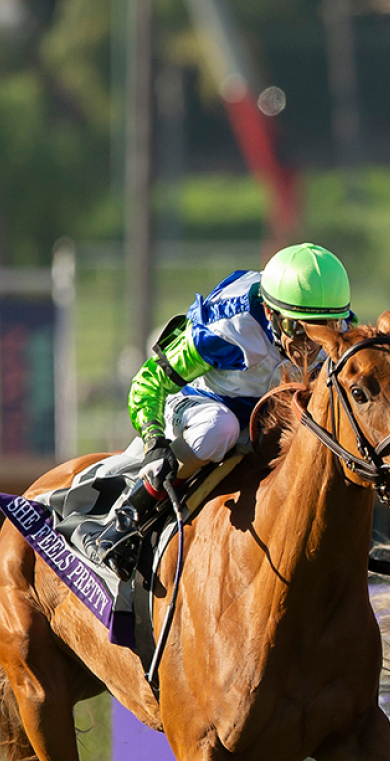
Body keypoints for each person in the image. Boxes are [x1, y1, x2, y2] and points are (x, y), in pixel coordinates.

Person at [77, 243, 354, 576]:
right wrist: (153, 439)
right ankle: (125, 522)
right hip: (205, 407)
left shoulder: (342, 331)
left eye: (325, 327)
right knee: (218, 430)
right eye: (298, 329)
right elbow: (149, 382)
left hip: (274, 414)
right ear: (269, 312)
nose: (311, 345)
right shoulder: (228, 327)